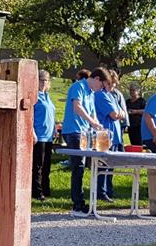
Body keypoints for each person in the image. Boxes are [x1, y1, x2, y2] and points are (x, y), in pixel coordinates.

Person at [61, 68, 107, 216]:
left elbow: (92, 113)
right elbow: (77, 107)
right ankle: (77, 204)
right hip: (73, 131)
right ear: (97, 79)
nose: (101, 89)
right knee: (78, 167)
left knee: (84, 166)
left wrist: (98, 125)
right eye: (102, 85)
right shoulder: (78, 87)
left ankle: (82, 202)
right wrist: (92, 122)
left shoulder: (91, 93)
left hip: (85, 133)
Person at [94, 75, 126, 201]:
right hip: (105, 135)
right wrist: (119, 114)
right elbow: (114, 114)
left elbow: (122, 113)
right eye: (111, 83)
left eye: (115, 84)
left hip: (115, 135)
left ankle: (108, 190)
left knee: (111, 165)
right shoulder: (100, 95)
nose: (113, 86)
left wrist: (120, 114)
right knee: (103, 165)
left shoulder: (111, 96)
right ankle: (100, 192)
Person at [31, 70, 56, 201]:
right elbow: (30, 116)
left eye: (45, 80)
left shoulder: (48, 96)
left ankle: (46, 189)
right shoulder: (35, 96)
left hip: (49, 136)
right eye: (40, 80)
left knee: (47, 165)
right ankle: (37, 191)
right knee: (38, 165)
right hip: (39, 135)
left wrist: (54, 130)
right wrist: (32, 132)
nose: (43, 83)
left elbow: (51, 113)